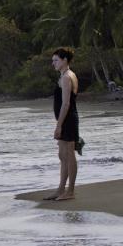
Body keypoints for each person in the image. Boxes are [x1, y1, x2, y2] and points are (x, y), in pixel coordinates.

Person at [46, 47, 79, 201]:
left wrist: (59, 125)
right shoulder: (63, 75)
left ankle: (70, 191)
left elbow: (66, 104)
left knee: (69, 155)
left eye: (56, 60)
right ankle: (60, 189)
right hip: (65, 119)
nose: (53, 63)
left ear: (65, 60)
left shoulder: (67, 77)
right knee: (62, 155)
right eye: (53, 61)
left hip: (68, 120)